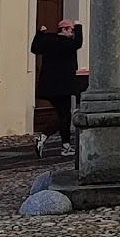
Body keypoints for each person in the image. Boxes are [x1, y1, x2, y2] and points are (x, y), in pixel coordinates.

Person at [31, 19, 83, 157]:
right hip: (62, 85)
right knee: (64, 114)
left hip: (49, 85)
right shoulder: (66, 43)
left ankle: (65, 146)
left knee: (63, 113)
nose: (72, 33)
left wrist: (40, 34)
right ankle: (43, 137)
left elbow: (35, 48)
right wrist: (79, 27)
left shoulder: (49, 40)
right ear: (64, 30)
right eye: (71, 30)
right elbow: (78, 43)